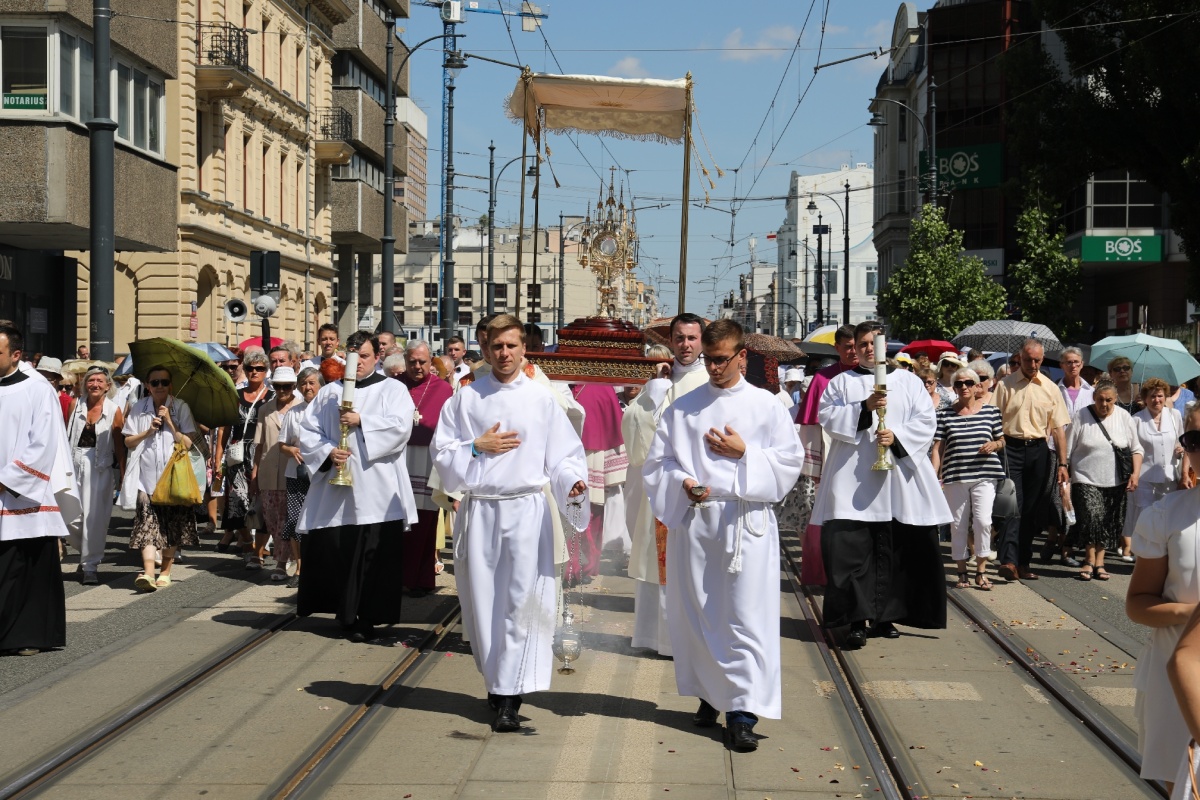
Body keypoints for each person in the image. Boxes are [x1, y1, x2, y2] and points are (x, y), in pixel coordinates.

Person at [643, 319, 803, 751]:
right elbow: (659, 463)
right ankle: (710, 695)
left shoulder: (767, 406)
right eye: (709, 360)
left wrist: (745, 452)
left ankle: (743, 713)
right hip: (698, 521)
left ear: (741, 356)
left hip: (745, 523)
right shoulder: (683, 407)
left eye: (721, 359)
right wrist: (683, 482)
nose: (712, 367)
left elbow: (790, 461)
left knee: (746, 618)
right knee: (701, 615)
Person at [432, 315, 589, 733]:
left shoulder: (541, 400)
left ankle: (510, 696)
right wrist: (475, 447)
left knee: (521, 602)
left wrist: (572, 481)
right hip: (481, 509)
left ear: (524, 349)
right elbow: (443, 454)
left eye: (512, 346)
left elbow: (564, 455)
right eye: (496, 346)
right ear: (485, 349)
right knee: (483, 605)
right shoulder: (466, 400)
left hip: (525, 509)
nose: (504, 353)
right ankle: (496, 681)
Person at [812, 322, 951, 649]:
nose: (868, 349)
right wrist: (864, 408)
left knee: (893, 551)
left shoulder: (908, 382)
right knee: (852, 556)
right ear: (854, 347)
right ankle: (857, 621)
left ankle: (885, 617)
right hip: (853, 486)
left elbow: (926, 420)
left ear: (885, 345)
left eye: (874, 343)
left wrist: (897, 437)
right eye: (862, 344)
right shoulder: (841, 383)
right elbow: (828, 418)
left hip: (897, 482)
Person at [297, 331, 417, 642]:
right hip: (337, 488)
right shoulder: (329, 392)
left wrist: (363, 420)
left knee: (373, 555)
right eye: (352, 356)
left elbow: (401, 428)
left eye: (363, 356)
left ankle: (369, 617)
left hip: (378, 490)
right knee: (339, 549)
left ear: (377, 356)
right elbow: (308, 430)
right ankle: (344, 612)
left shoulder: (393, 389)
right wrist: (327, 452)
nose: (357, 363)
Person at [622, 313, 709, 655]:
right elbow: (636, 440)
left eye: (691, 338)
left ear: (701, 341)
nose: (685, 345)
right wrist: (651, 397)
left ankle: (683, 639)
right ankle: (653, 636)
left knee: (689, 566)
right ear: (670, 341)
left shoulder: (707, 380)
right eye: (679, 338)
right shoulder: (659, 380)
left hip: (691, 487)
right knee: (653, 560)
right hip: (658, 488)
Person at [1129, 405, 1200, 792]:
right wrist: (1191, 614)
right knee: (1187, 786)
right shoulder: (1167, 515)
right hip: (1181, 680)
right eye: (1196, 440)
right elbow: (1138, 601)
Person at [0, 325, 74, 655]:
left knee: (25, 568)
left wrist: (6, 479)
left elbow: (44, 443)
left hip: (23, 492)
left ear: (16, 355)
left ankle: (27, 636)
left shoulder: (37, 389)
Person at [993, 338, 1070, 582]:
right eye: (1028, 360)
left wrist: (1063, 464)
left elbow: (1058, 430)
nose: (1033, 364)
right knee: (1010, 506)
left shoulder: (1050, 388)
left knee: (1030, 510)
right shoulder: (1005, 386)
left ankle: (1023, 562)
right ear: (1020, 358)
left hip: (1039, 451)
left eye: (1038, 360)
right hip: (1009, 448)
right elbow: (993, 422)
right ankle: (1008, 560)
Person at [120, 365, 199, 591]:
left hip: (173, 477)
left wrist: (171, 423)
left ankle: (165, 571)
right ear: (147, 386)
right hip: (145, 478)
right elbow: (128, 441)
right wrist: (149, 430)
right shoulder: (139, 408)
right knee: (146, 525)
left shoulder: (180, 406)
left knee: (171, 527)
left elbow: (188, 443)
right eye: (155, 383)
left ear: (170, 385)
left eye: (164, 382)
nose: (160, 386)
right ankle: (147, 572)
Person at [796, 325, 859, 587]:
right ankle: (824, 574)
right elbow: (810, 427)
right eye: (848, 347)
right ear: (837, 349)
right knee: (825, 520)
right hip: (830, 459)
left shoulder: (873, 376)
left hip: (861, 461)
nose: (854, 352)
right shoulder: (822, 380)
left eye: (857, 346)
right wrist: (812, 470)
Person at [931, 368, 1004, 591]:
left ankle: (981, 570)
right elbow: (938, 448)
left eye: (969, 383)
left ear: (977, 386)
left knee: (983, 521)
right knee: (957, 524)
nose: (964, 387)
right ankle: (962, 571)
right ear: (954, 388)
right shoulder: (944, 414)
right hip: (955, 475)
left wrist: (995, 444)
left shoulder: (991, 412)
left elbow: (1002, 440)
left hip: (985, 474)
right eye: (959, 384)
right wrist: (934, 477)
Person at [1065, 380, 1142, 581]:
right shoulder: (1081, 415)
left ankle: (1100, 562)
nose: (1104, 404)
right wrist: (1063, 468)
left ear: (1116, 400)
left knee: (1109, 523)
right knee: (1092, 517)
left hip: (1116, 481)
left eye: (1109, 400)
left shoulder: (1124, 417)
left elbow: (1136, 449)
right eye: (1100, 399)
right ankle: (1088, 560)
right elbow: (1067, 447)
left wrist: (1135, 474)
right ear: (1094, 398)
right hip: (1085, 478)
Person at [398, 340, 453, 597]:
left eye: (422, 361)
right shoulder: (395, 385)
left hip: (429, 459)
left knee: (426, 521)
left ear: (431, 362)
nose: (417, 366)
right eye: (412, 361)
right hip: (398, 458)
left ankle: (422, 578)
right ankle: (401, 576)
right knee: (399, 520)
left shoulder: (443, 389)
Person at [66, 366, 125, 585]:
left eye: (100, 381)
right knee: (68, 516)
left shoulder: (113, 410)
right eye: (91, 381)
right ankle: (87, 552)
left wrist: (123, 473)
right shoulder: (75, 404)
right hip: (73, 464)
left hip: (100, 467)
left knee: (95, 519)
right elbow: (66, 435)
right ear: (85, 384)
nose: (95, 384)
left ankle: (90, 565)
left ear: (108, 386)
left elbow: (119, 445)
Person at [218, 348, 274, 568]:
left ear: (266, 371)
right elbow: (225, 428)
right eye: (250, 368)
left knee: (260, 505)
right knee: (237, 503)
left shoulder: (272, 396)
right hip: (237, 454)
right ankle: (248, 541)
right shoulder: (236, 396)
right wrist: (218, 456)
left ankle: (258, 553)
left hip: (262, 454)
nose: (254, 372)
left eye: (259, 368)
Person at [1042, 347, 1095, 565]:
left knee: (1076, 499)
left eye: (1076, 362)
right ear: (1061, 366)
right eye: (1068, 362)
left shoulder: (1091, 392)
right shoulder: (1054, 389)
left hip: (1082, 451)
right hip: (1057, 449)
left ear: (1082, 364)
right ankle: (1055, 537)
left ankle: (1066, 546)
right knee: (1057, 497)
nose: (1072, 366)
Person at [1123, 378, 1185, 563]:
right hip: (1144, 478)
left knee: (1166, 518)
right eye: (1152, 396)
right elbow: (1132, 448)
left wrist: (1180, 448)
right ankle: (1142, 556)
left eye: (1160, 396)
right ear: (1145, 398)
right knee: (1144, 518)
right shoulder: (1137, 420)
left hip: (1169, 478)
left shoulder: (1175, 416)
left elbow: (1181, 440)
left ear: (1165, 397)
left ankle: (1163, 556)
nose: (1157, 400)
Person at [253, 366, 302, 583]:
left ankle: (282, 563)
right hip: (269, 472)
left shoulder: (303, 407)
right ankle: (284, 557)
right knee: (273, 520)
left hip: (294, 473)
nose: (282, 390)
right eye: (278, 386)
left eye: (287, 387)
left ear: (294, 387)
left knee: (288, 520)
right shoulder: (265, 409)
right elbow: (259, 444)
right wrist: (254, 474)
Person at [277, 367, 323, 589]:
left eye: (312, 382)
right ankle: (300, 567)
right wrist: (292, 451)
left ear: (321, 385)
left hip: (322, 474)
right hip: (296, 473)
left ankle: (320, 565)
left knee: (320, 520)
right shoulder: (293, 413)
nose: (308, 387)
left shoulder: (328, 410)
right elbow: (282, 444)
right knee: (296, 520)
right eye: (304, 383)